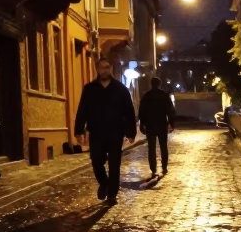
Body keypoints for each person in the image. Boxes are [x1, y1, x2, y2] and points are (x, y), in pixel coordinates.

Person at [74, 58, 136, 206]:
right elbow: (82, 109)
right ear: (97, 69)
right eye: (102, 67)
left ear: (111, 69)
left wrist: (131, 132)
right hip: (96, 132)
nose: (104, 70)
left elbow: (129, 111)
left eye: (107, 67)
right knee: (96, 161)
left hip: (115, 132)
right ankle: (104, 183)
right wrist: (78, 130)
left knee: (114, 165)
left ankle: (112, 195)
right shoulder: (89, 89)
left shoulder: (121, 89)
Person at [138, 77, 176, 177]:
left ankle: (153, 167)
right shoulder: (164, 95)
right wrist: (172, 123)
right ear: (159, 84)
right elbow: (170, 110)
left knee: (151, 147)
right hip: (162, 123)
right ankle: (164, 166)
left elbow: (141, 110)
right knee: (163, 146)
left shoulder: (147, 95)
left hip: (150, 124)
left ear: (151, 84)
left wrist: (142, 124)